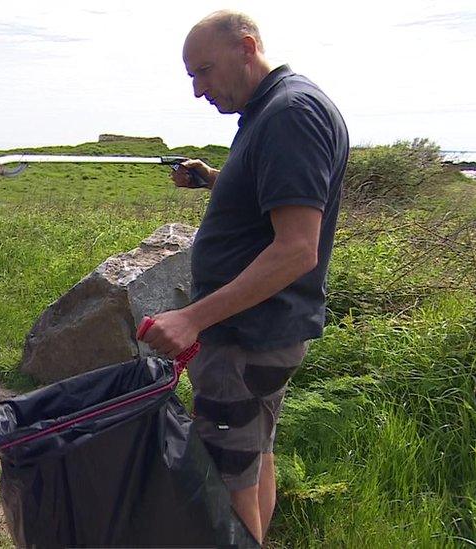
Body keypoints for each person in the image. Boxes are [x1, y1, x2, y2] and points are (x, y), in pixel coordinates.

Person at [138, 11, 348, 544]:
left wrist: (192, 317)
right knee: (253, 459)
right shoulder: (273, 109)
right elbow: (270, 202)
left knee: (222, 478)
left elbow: (297, 249)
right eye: (191, 75)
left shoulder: (289, 113)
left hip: (245, 340)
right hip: (258, 335)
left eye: (205, 71)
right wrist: (215, 180)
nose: (198, 89)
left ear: (246, 48)